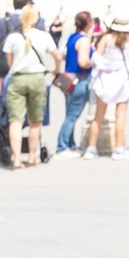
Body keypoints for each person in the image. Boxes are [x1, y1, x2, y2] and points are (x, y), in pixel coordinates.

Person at [1, 6, 61, 169]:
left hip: (18, 78)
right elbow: (57, 56)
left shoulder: (13, 37)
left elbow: (9, 62)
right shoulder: (44, 36)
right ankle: (33, 156)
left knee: (16, 120)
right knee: (35, 121)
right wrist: (56, 70)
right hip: (37, 78)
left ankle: (17, 158)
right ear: (36, 19)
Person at [85, 15, 129, 160]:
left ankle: (91, 148)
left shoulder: (106, 38)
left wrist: (106, 65)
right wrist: (128, 66)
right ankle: (118, 149)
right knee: (120, 115)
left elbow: (96, 57)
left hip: (106, 77)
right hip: (123, 77)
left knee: (98, 116)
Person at [55, 11, 95, 157]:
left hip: (67, 77)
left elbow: (64, 54)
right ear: (88, 23)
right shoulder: (84, 40)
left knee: (69, 113)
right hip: (79, 78)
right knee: (72, 115)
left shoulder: (72, 37)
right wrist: (95, 61)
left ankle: (70, 144)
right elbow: (83, 62)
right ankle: (62, 145)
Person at [0, 0, 46, 80]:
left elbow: (0, 40)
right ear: (28, 4)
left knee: (5, 92)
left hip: (5, 64)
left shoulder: (1, 22)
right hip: (29, 68)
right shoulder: (36, 22)